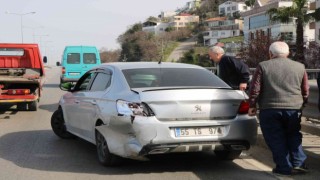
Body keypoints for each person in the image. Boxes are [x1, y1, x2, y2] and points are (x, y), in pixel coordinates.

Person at [248, 41, 309, 176]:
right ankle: (298, 163)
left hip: (270, 108)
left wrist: (252, 105)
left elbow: (255, 88)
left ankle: (284, 167)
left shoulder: (263, 66)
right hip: (293, 108)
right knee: (294, 135)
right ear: (288, 53)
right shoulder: (300, 66)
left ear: (270, 54)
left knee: (275, 138)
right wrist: (302, 103)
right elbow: (305, 89)